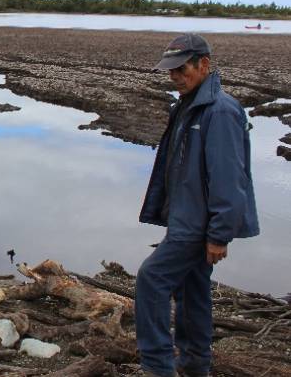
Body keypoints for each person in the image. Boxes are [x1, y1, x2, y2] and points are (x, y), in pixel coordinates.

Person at [136, 33, 259, 377]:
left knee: (152, 279)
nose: (174, 76)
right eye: (170, 70)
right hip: (186, 220)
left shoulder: (219, 112)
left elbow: (229, 179)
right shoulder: (189, 105)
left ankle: (158, 367)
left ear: (204, 65)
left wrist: (219, 234)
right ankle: (193, 364)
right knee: (192, 289)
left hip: (197, 225)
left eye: (181, 68)